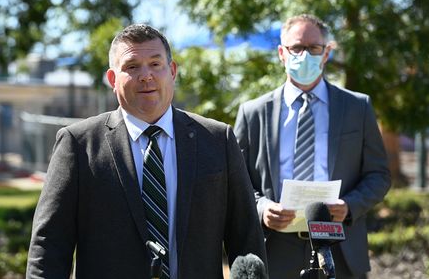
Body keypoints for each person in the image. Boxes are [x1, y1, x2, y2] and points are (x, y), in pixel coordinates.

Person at [27, 24, 267, 278]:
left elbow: (246, 240)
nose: (146, 75)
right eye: (132, 66)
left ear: (172, 71)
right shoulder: (79, 145)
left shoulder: (218, 140)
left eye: (155, 64)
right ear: (112, 79)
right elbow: (49, 245)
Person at [234, 14, 391, 279]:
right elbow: (236, 180)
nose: (304, 55)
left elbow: (379, 175)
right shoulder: (253, 113)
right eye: (297, 48)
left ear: (326, 53)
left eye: (314, 48)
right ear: (282, 53)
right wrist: (261, 208)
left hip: (340, 247)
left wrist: (350, 205)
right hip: (274, 247)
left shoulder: (357, 107)